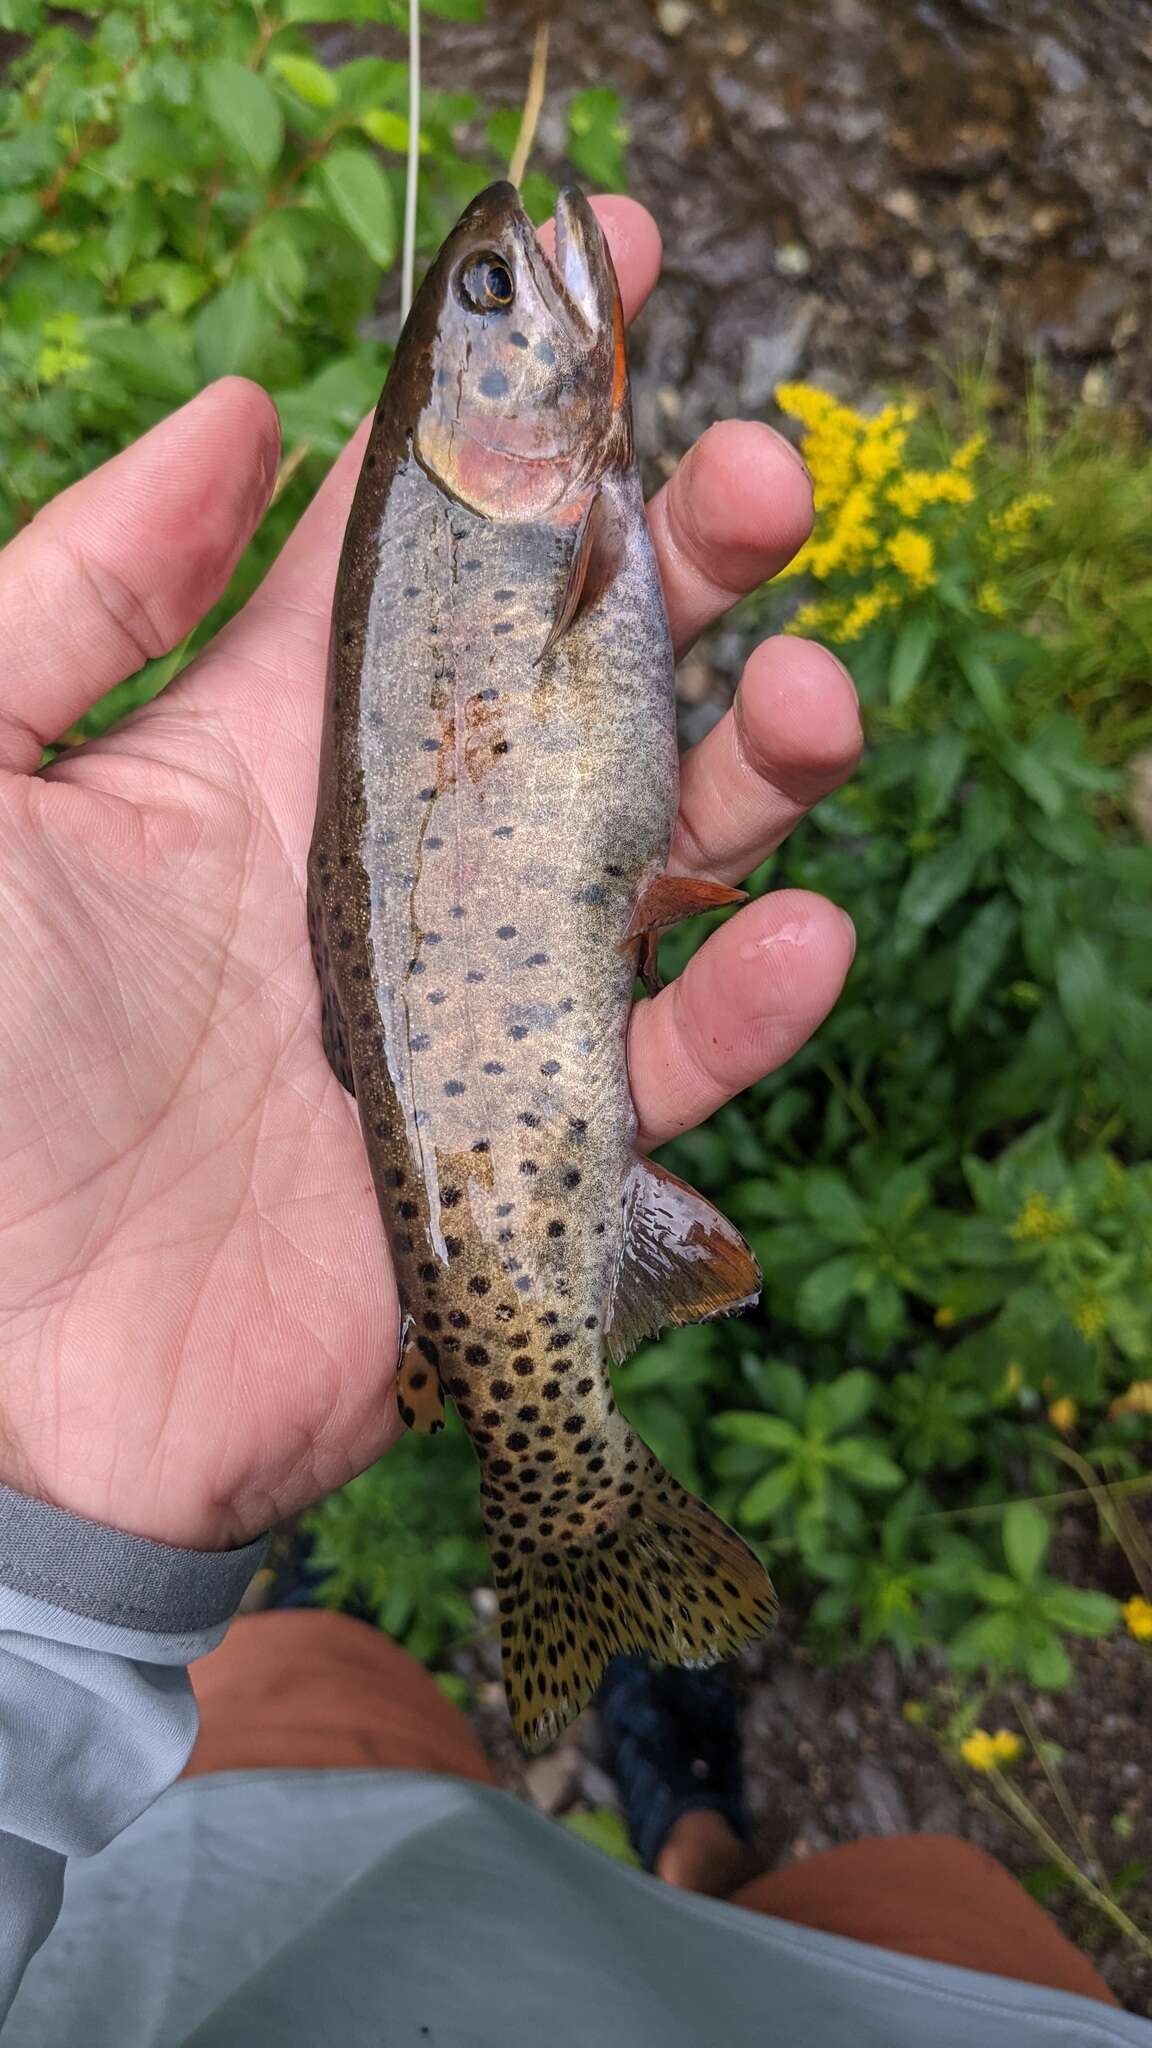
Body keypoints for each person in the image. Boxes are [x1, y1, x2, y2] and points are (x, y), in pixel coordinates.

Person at [0, 196, 1142, 2046]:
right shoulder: (528, 511)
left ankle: (665, 1797)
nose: (511, 285)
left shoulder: (535, 500)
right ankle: (690, 1820)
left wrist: (33, 1575)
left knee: (320, 1707)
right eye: (483, 297)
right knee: (948, 1898)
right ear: (464, 405)